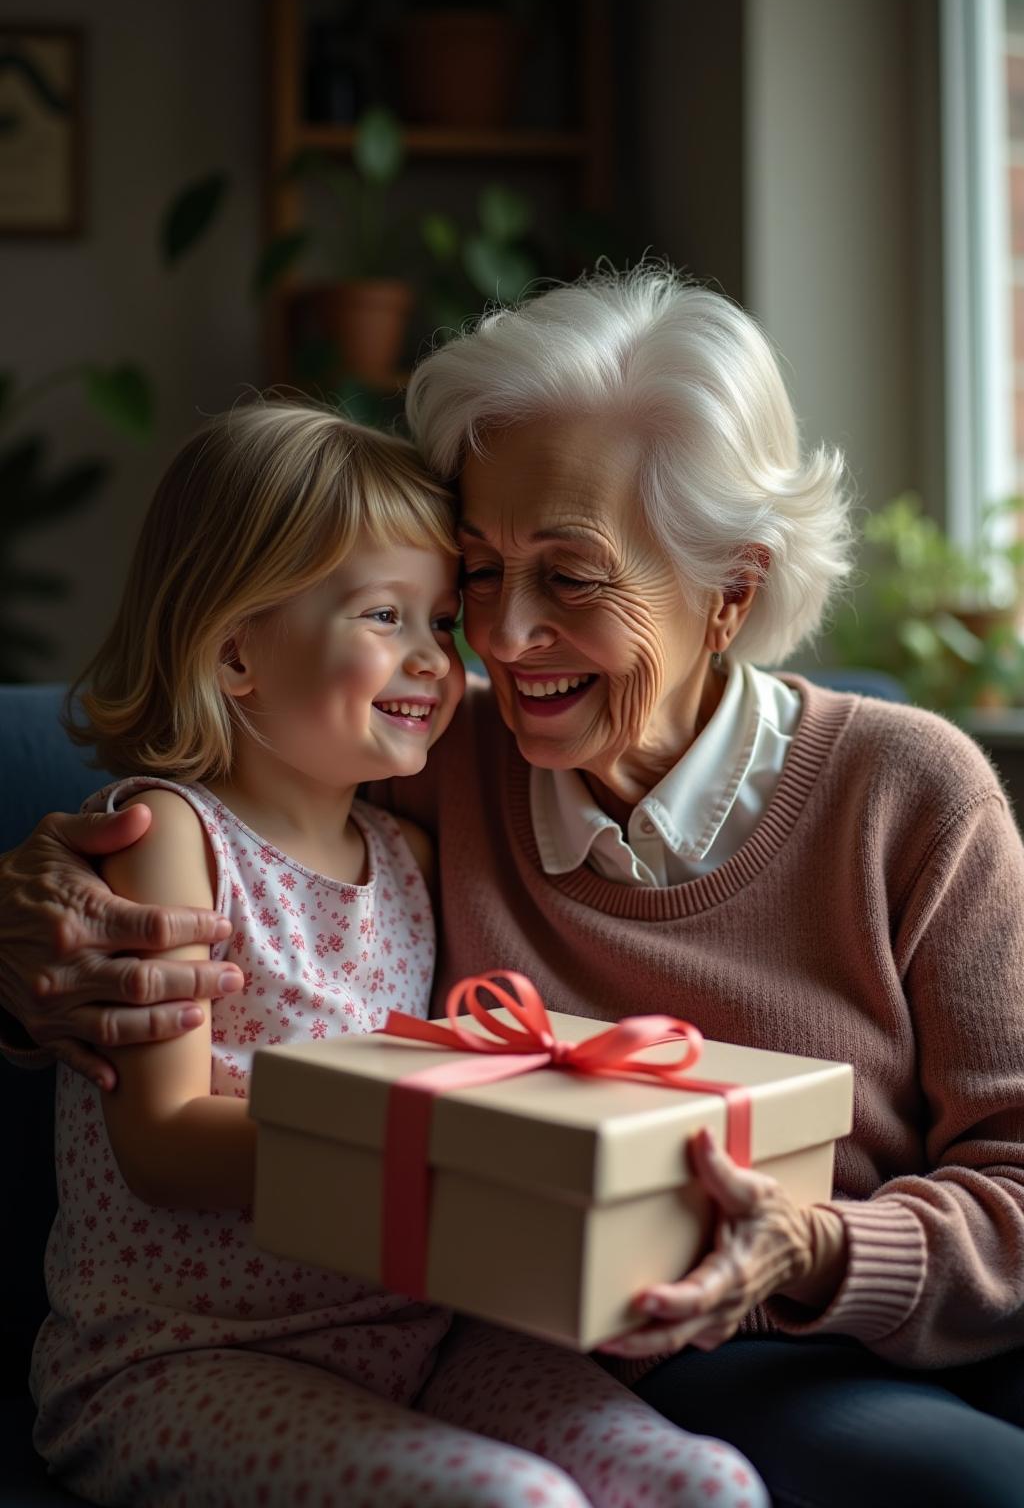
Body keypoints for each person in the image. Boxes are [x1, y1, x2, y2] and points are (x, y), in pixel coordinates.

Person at [3, 267, 1024, 1505]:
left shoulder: (910, 795)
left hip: (796, 1351)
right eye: (478, 573)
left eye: (570, 575)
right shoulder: (425, 766)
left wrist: (810, 1252)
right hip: (470, 1337)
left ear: (730, 593)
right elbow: (221, 822)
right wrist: (38, 918)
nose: (494, 639)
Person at [22, 399, 766, 1508]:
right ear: (235, 651)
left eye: (437, 620)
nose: (436, 661)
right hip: (184, 1359)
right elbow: (166, 1145)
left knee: (703, 1482)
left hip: (414, 1333)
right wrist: (446, 1149)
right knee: (515, 1501)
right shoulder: (167, 841)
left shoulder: (410, 852)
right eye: (383, 616)